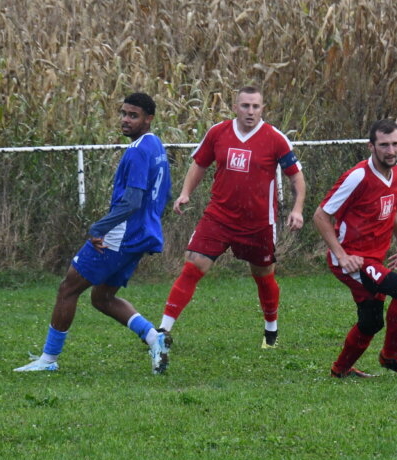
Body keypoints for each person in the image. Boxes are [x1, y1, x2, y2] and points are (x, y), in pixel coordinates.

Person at [15, 92, 172, 374]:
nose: (125, 120)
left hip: (120, 236)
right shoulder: (155, 144)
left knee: (68, 288)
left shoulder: (137, 151)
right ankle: (154, 338)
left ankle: (48, 360)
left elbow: (133, 201)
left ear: (148, 119)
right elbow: (162, 194)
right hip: (142, 235)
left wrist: (98, 228)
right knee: (102, 298)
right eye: (123, 113)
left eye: (133, 115)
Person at [160, 85, 305, 349]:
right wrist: (185, 193)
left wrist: (297, 209)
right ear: (235, 106)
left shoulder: (275, 138)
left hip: (258, 223)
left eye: (256, 106)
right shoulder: (218, 133)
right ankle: (163, 331)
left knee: (263, 275)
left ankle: (270, 330)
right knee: (193, 264)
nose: (250, 111)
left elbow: (296, 176)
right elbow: (200, 164)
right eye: (245, 106)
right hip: (219, 217)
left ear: (262, 108)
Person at [313, 118, 397, 379]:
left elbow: (395, 209)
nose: (391, 150)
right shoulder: (358, 177)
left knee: (372, 321)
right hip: (354, 260)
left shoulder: (396, 172)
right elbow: (321, 215)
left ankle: (340, 370)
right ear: (371, 146)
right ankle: (392, 356)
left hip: (375, 259)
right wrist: (342, 256)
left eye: (395, 144)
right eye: (384, 145)